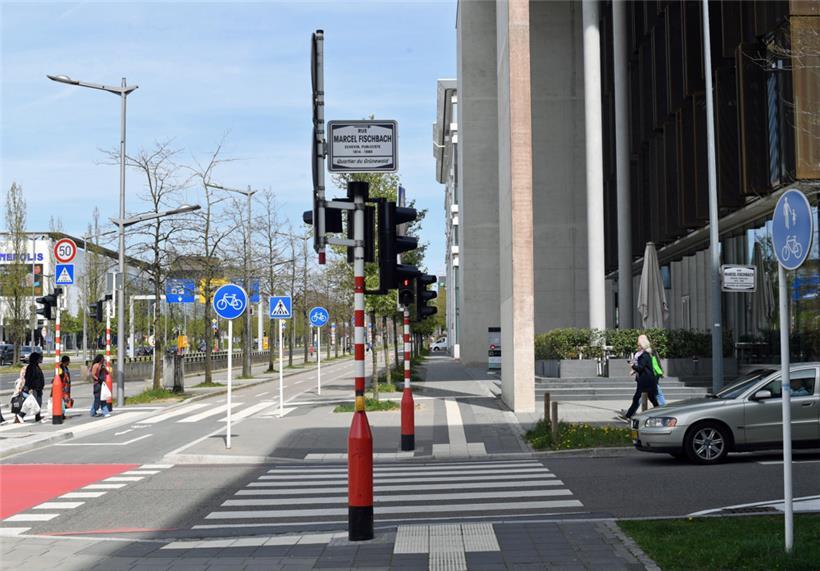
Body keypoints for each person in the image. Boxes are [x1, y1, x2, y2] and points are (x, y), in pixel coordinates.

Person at [620, 334, 660, 421]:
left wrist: (632, 365)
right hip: (647, 380)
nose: (637, 346)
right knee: (652, 398)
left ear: (642, 346)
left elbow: (640, 368)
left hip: (645, 381)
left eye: (638, 345)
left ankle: (628, 416)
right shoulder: (646, 354)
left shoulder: (644, 355)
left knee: (637, 398)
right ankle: (659, 412)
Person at [22, 351, 45, 422]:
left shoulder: (36, 366)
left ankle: (38, 416)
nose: (41, 359)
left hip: (38, 388)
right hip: (33, 388)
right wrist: (28, 387)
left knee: (38, 402)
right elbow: (28, 378)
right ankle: (20, 415)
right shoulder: (31, 367)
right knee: (31, 403)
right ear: (35, 359)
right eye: (39, 358)